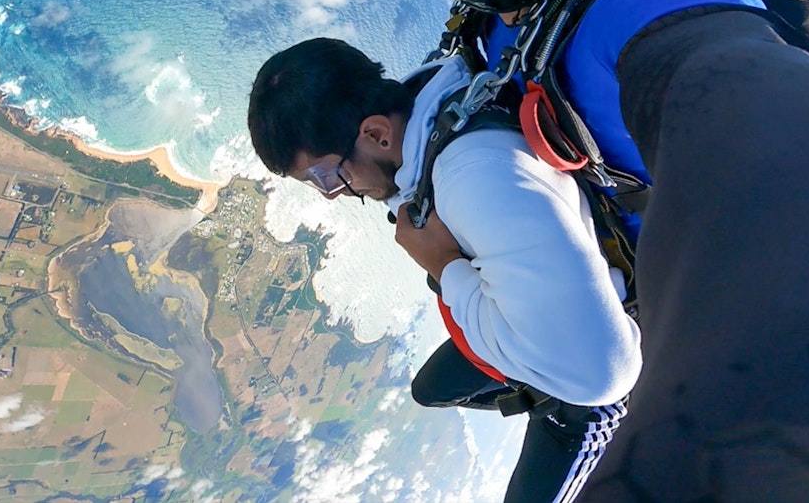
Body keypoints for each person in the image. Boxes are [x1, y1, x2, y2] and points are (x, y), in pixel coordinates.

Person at [401, 0, 809, 500]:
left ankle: (566, 403)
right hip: (539, 292)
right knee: (429, 393)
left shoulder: (640, 3)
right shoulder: (490, 29)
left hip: (624, 345)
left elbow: (761, 106)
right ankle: (537, 381)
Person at [248, 38, 642, 502]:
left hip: (585, 372)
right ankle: (532, 373)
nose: (334, 193)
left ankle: (550, 397)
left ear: (376, 134)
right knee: (429, 391)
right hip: (520, 312)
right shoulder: (427, 116)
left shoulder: (473, 179)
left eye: (327, 177)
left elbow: (603, 375)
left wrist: (445, 265)